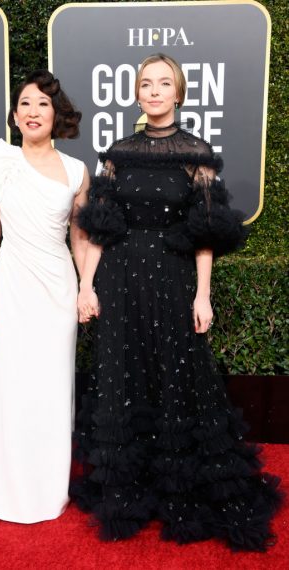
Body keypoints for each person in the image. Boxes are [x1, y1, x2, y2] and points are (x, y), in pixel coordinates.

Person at [72, 54, 282, 550]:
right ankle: (129, 486)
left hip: (172, 278)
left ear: (178, 92)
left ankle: (177, 486)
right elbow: (99, 230)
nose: (154, 91)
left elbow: (204, 234)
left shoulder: (197, 153)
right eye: (147, 83)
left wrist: (202, 295)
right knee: (125, 377)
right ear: (137, 92)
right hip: (120, 281)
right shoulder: (118, 152)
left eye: (164, 83)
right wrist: (86, 285)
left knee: (176, 378)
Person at [0, 70, 90, 524]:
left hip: (58, 287)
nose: (33, 111)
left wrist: (86, 288)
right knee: (11, 382)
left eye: (43, 104)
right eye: (25, 104)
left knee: (53, 386)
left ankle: (45, 486)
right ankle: (5, 480)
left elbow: (80, 238)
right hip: (12, 284)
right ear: (14, 116)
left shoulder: (76, 170)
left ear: (56, 114)